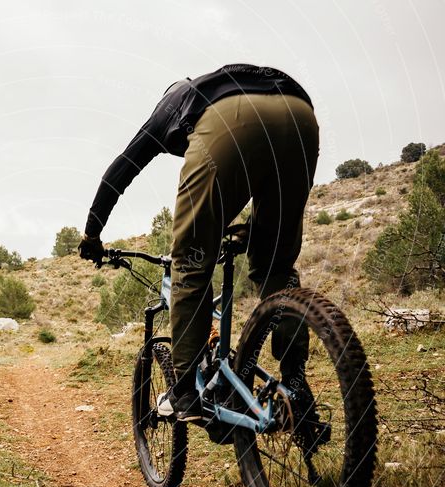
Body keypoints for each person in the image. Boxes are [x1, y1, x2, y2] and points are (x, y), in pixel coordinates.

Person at [78, 63, 319, 421]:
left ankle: (184, 392)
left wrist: (92, 234)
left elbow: (122, 169)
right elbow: (259, 174)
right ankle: (296, 386)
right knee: (275, 268)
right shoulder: (221, 83)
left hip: (232, 122)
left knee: (190, 262)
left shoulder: (173, 102)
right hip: (300, 116)